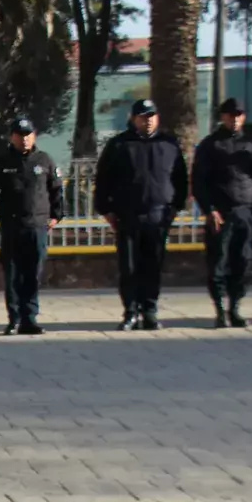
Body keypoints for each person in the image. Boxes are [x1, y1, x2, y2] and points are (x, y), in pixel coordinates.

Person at [93, 98, 188, 330]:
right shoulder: (119, 145)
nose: (148, 121)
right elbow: (104, 179)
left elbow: (180, 179)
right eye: (143, 117)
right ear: (133, 119)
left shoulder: (169, 144)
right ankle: (130, 311)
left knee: (152, 265)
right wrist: (106, 211)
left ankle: (150, 310)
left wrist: (174, 208)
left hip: (158, 215)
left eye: (152, 116)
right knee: (129, 266)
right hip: (128, 215)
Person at [0, 117, 65, 334]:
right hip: (12, 226)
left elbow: (56, 190)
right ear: (12, 137)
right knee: (13, 274)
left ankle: (30, 319)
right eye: (20, 135)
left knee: (33, 273)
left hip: (37, 226)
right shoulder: (2, 163)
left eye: (28, 134)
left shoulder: (45, 161)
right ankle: (14, 318)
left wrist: (57, 215)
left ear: (34, 135)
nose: (24, 139)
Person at [191, 97, 252, 328]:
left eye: (239, 115)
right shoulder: (210, 145)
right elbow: (199, 181)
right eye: (231, 115)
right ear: (222, 116)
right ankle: (220, 310)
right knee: (219, 263)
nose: (235, 119)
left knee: (243, 262)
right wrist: (209, 210)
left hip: (247, 213)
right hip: (221, 214)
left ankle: (235, 307)